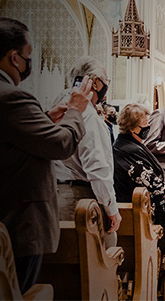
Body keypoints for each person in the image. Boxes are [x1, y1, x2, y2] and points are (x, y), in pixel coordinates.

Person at [0, 18, 92, 293]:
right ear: (14, 58)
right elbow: (62, 145)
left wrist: (43, 119)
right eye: (28, 56)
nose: (28, 63)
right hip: (15, 226)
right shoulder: (9, 98)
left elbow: (4, 140)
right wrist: (76, 110)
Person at [54, 56, 120, 248]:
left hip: (58, 191)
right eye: (106, 81)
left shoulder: (59, 104)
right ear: (96, 82)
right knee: (92, 264)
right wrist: (111, 209)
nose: (107, 86)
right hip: (79, 198)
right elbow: (97, 166)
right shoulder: (87, 113)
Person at [112, 103, 165, 235]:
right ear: (133, 128)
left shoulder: (133, 143)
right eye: (145, 123)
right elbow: (146, 177)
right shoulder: (126, 149)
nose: (148, 127)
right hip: (140, 212)